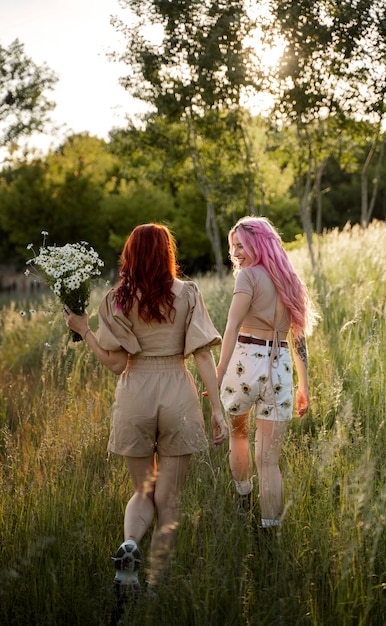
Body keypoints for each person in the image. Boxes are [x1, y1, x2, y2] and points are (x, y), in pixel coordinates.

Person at [63, 223, 227, 599]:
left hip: (136, 391)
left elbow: (116, 363)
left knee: (142, 490)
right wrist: (216, 409)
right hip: (176, 388)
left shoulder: (117, 299)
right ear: (167, 253)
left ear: (130, 254)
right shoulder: (187, 293)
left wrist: (84, 330)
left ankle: (131, 549)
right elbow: (202, 353)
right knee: (168, 500)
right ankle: (155, 584)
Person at [216, 216, 316, 529]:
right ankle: (270, 533)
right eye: (233, 248)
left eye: (241, 247)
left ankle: (244, 497)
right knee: (269, 462)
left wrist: (216, 375)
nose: (236, 254)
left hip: (245, 364)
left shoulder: (247, 277)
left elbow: (231, 327)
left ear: (257, 244)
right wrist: (304, 385)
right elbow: (297, 339)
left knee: (239, 438)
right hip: (280, 368)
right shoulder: (290, 280)